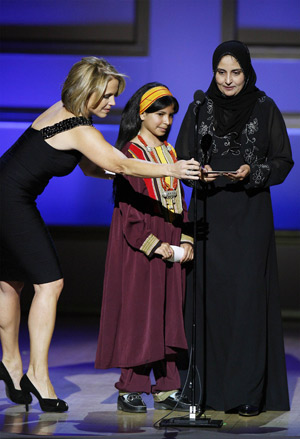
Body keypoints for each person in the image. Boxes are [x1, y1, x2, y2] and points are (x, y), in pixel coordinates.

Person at [0, 58, 200, 413]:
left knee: (10, 283)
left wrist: (121, 175)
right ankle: (38, 374)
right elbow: (120, 162)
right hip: (10, 202)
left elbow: (96, 166)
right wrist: (170, 168)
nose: (111, 102)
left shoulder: (62, 113)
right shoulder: (81, 129)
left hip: (5, 195)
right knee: (50, 284)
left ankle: (13, 365)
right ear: (86, 91)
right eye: (106, 95)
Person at [175, 40, 293, 417]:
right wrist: (199, 171)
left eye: (235, 72)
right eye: (221, 72)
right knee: (208, 298)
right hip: (209, 213)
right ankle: (203, 388)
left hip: (249, 212)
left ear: (247, 72)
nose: (227, 80)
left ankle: (246, 391)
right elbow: (181, 158)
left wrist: (253, 171)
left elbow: (283, 161)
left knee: (247, 300)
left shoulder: (265, 106)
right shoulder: (198, 108)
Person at [95, 83, 194, 413]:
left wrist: (185, 238)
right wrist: (154, 245)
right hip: (140, 247)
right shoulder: (129, 154)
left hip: (170, 238)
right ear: (142, 114)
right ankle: (131, 387)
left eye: (169, 116)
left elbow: (179, 199)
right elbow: (129, 211)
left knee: (168, 314)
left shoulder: (169, 152)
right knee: (141, 316)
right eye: (159, 114)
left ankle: (167, 388)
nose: (166, 121)